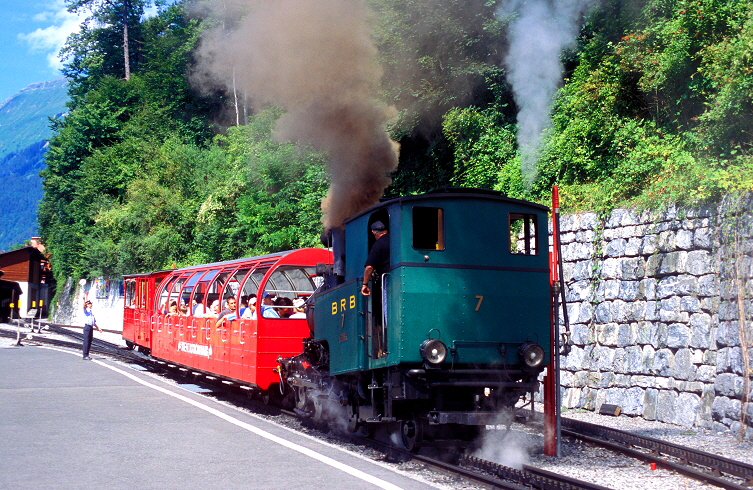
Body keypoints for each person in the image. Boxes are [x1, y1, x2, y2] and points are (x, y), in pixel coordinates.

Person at [361, 221, 390, 297]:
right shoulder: (396, 240)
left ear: (373, 232)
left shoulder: (378, 244)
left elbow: (369, 267)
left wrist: (365, 284)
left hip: (388, 281)